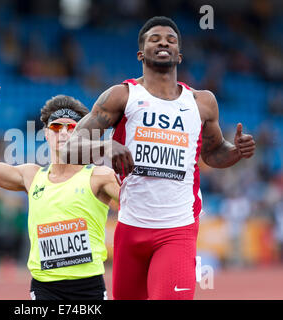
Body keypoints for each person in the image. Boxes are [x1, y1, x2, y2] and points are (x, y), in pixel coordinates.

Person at [61, 16, 256, 300]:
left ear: (179, 54)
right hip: (131, 227)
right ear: (140, 53)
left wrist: (236, 152)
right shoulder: (121, 96)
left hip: (177, 229)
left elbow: (214, 153)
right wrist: (103, 148)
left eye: (171, 40)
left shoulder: (202, 102)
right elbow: (70, 149)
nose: (164, 42)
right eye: (155, 39)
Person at [0, 81, 120, 300]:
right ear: (46, 134)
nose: (63, 133)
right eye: (56, 127)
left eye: (71, 128)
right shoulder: (32, 176)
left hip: (88, 289)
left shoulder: (99, 177)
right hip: (44, 288)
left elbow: (142, 206)